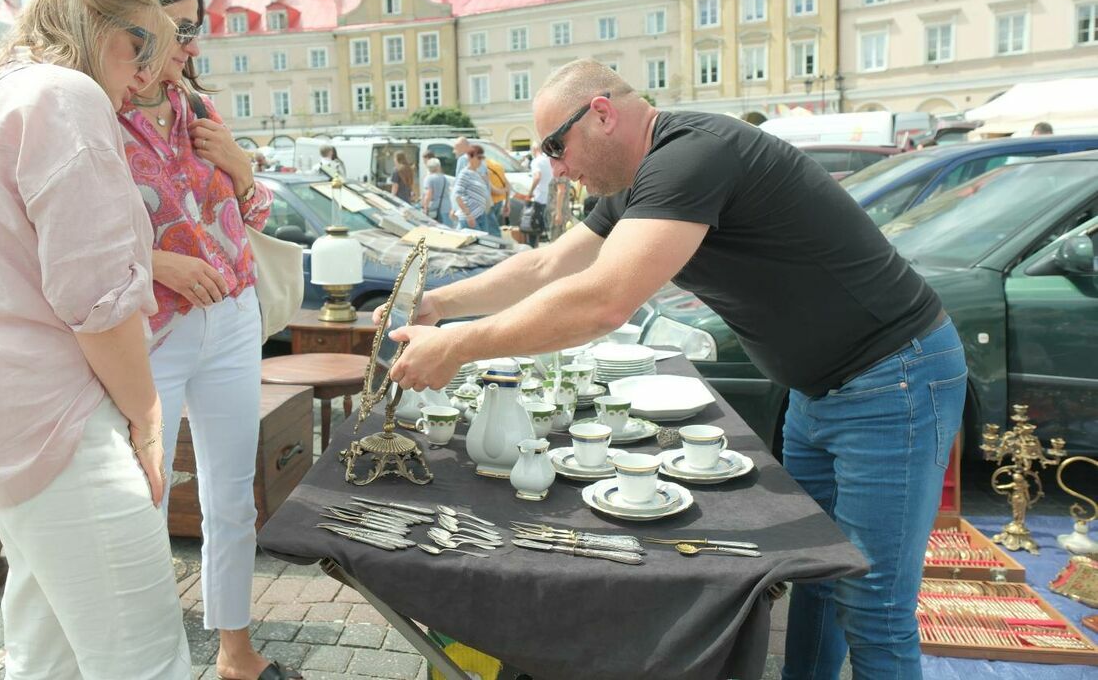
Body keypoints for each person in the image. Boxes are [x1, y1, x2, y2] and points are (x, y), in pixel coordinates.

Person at [384, 58, 967, 680]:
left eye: (557, 144)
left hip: (892, 379)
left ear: (602, 114)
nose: (554, 165)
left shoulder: (693, 154)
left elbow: (604, 301)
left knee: (873, 606)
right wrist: (441, 303)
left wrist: (459, 346)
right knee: (818, 578)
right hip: (819, 390)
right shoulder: (638, 179)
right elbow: (548, 267)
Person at [0, 0, 192, 678]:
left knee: (46, 649)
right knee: (142, 659)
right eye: (144, 53)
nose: (148, 80)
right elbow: (96, 298)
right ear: (106, 31)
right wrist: (147, 419)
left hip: (1, 405)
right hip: (60, 417)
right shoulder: (63, 96)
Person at [118, 0, 296, 680]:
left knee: (231, 497)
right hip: (148, 331)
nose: (193, 46)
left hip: (232, 315)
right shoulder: (93, 111)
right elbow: (66, 235)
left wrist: (244, 169)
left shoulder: (197, 106)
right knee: (142, 508)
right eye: (183, 29)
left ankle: (235, 652)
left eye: (200, 30)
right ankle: (147, 660)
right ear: (138, 27)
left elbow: (254, 215)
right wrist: (157, 264)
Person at [452, 145, 491, 231]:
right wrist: (468, 215)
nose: (481, 161)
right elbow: (457, 195)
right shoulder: (464, 174)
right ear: (470, 157)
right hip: (470, 217)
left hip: (480, 214)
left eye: (482, 158)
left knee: (484, 242)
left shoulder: (477, 173)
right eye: (479, 158)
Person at [523, 143, 554, 247]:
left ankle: (533, 248)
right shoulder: (548, 160)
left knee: (533, 225)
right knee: (545, 225)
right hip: (549, 196)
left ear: (534, 149)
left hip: (539, 197)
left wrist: (530, 192)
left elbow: (537, 177)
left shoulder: (536, 161)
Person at [483, 156, 509, 237]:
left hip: (489, 203)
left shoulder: (482, 166)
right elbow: (507, 184)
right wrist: (507, 203)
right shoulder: (497, 164)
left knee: (492, 230)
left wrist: (502, 191)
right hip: (499, 201)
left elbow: (489, 187)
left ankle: (498, 247)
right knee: (494, 226)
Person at [422, 157, 452, 225]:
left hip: (436, 208)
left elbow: (429, 194)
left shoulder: (429, 178)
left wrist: (425, 207)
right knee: (448, 228)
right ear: (438, 166)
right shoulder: (444, 178)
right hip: (447, 206)